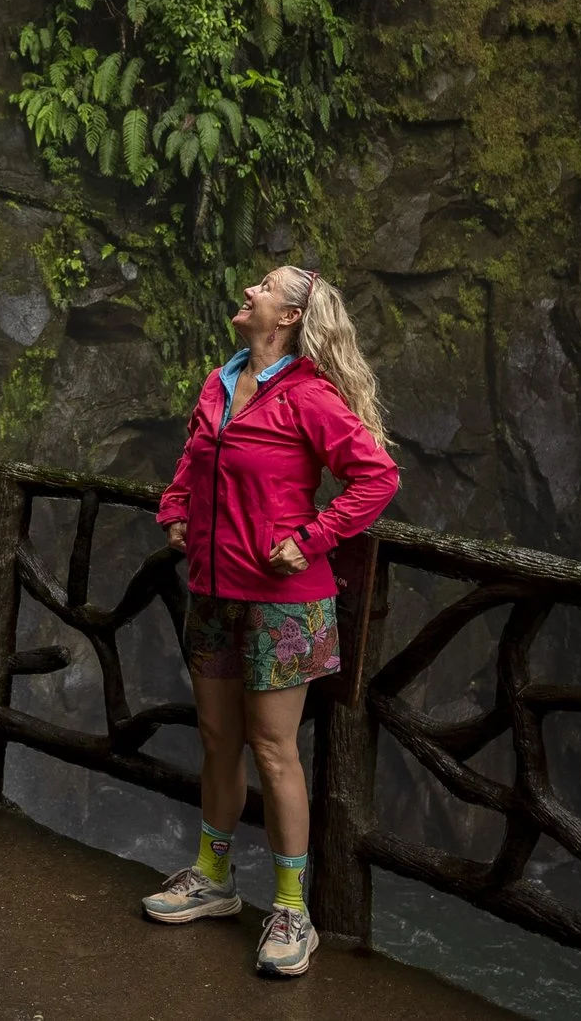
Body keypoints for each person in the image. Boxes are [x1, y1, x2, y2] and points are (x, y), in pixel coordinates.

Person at [140, 265, 399, 978]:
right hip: (214, 592)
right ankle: (214, 878)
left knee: (274, 749)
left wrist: (311, 537)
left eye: (264, 285)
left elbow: (376, 476)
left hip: (286, 602)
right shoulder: (221, 383)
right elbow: (192, 463)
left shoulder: (309, 395)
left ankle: (292, 910)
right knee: (219, 739)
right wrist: (174, 511)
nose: (248, 289)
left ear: (288, 315)